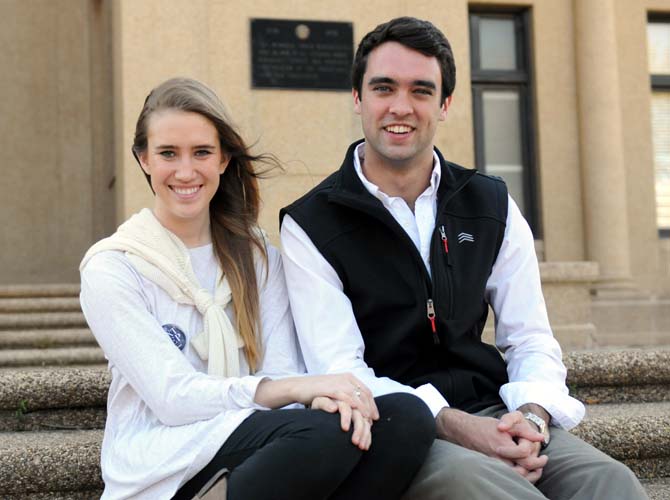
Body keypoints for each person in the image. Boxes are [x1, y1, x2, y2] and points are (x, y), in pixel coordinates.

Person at [280, 17, 648, 500]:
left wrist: (532, 417)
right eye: (384, 88)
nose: (401, 107)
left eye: (421, 91)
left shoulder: (488, 203)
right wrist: (454, 426)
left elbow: (531, 337)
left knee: (609, 481)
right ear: (358, 98)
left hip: (494, 412)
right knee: (489, 487)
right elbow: (342, 372)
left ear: (445, 103)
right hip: (395, 424)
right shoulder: (311, 224)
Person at [79, 77, 435, 500]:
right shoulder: (114, 266)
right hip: (165, 460)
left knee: (405, 417)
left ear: (224, 160)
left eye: (202, 152)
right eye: (168, 154)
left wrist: (314, 396)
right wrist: (295, 391)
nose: (186, 171)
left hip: (257, 435)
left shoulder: (256, 256)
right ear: (144, 160)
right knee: (319, 432)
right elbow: (172, 397)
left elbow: (284, 366)